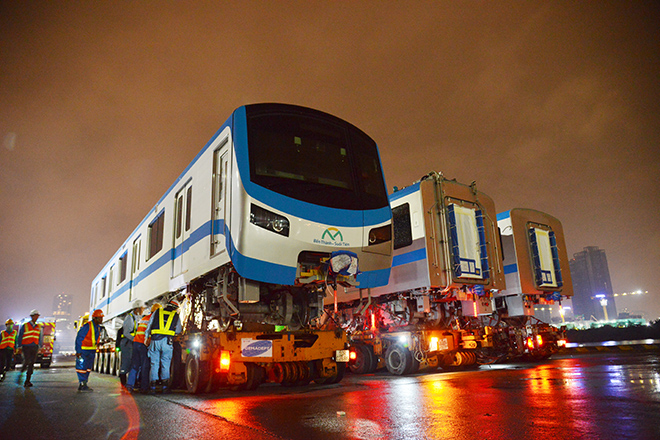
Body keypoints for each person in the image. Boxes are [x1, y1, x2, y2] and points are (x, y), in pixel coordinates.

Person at [145, 299, 181, 394]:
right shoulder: (176, 316)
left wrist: (146, 338)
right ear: (175, 308)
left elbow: (149, 326)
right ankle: (165, 387)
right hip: (167, 342)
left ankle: (152, 387)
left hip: (155, 341)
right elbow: (178, 330)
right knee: (166, 364)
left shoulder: (157, 312)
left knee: (154, 363)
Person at [126, 303, 160, 393]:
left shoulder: (144, 318)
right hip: (144, 344)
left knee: (135, 365)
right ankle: (144, 387)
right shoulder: (153, 319)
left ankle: (129, 386)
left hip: (136, 343)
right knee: (145, 366)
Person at [75, 309, 104, 392]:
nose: (102, 320)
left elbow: (94, 338)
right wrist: (78, 351)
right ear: (95, 318)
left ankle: (84, 383)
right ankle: (82, 384)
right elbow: (79, 338)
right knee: (82, 367)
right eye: (100, 318)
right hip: (84, 351)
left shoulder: (97, 327)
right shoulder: (87, 326)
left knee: (88, 368)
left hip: (91, 351)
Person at [119, 300, 145, 386]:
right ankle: (123, 382)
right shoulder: (129, 318)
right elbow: (126, 333)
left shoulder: (137, 318)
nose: (143, 310)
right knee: (126, 362)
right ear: (137, 309)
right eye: (142, 308)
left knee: (134, 362)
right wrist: (136, 339)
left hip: (132, 343)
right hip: (127, 343)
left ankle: (133, 382)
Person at [16, 310, 43, 387]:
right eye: (36, 316)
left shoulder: (38, 326)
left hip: (34, 346)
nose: (37, 317)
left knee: (31, 363)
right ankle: (21, 371)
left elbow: (40, 336)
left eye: (38, 316)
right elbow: (20, 336)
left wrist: (40, 346)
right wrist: (19, 346)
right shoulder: (25, 325)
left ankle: (27, 380)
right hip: (26, 346)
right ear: (32, 316)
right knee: (27, 361)